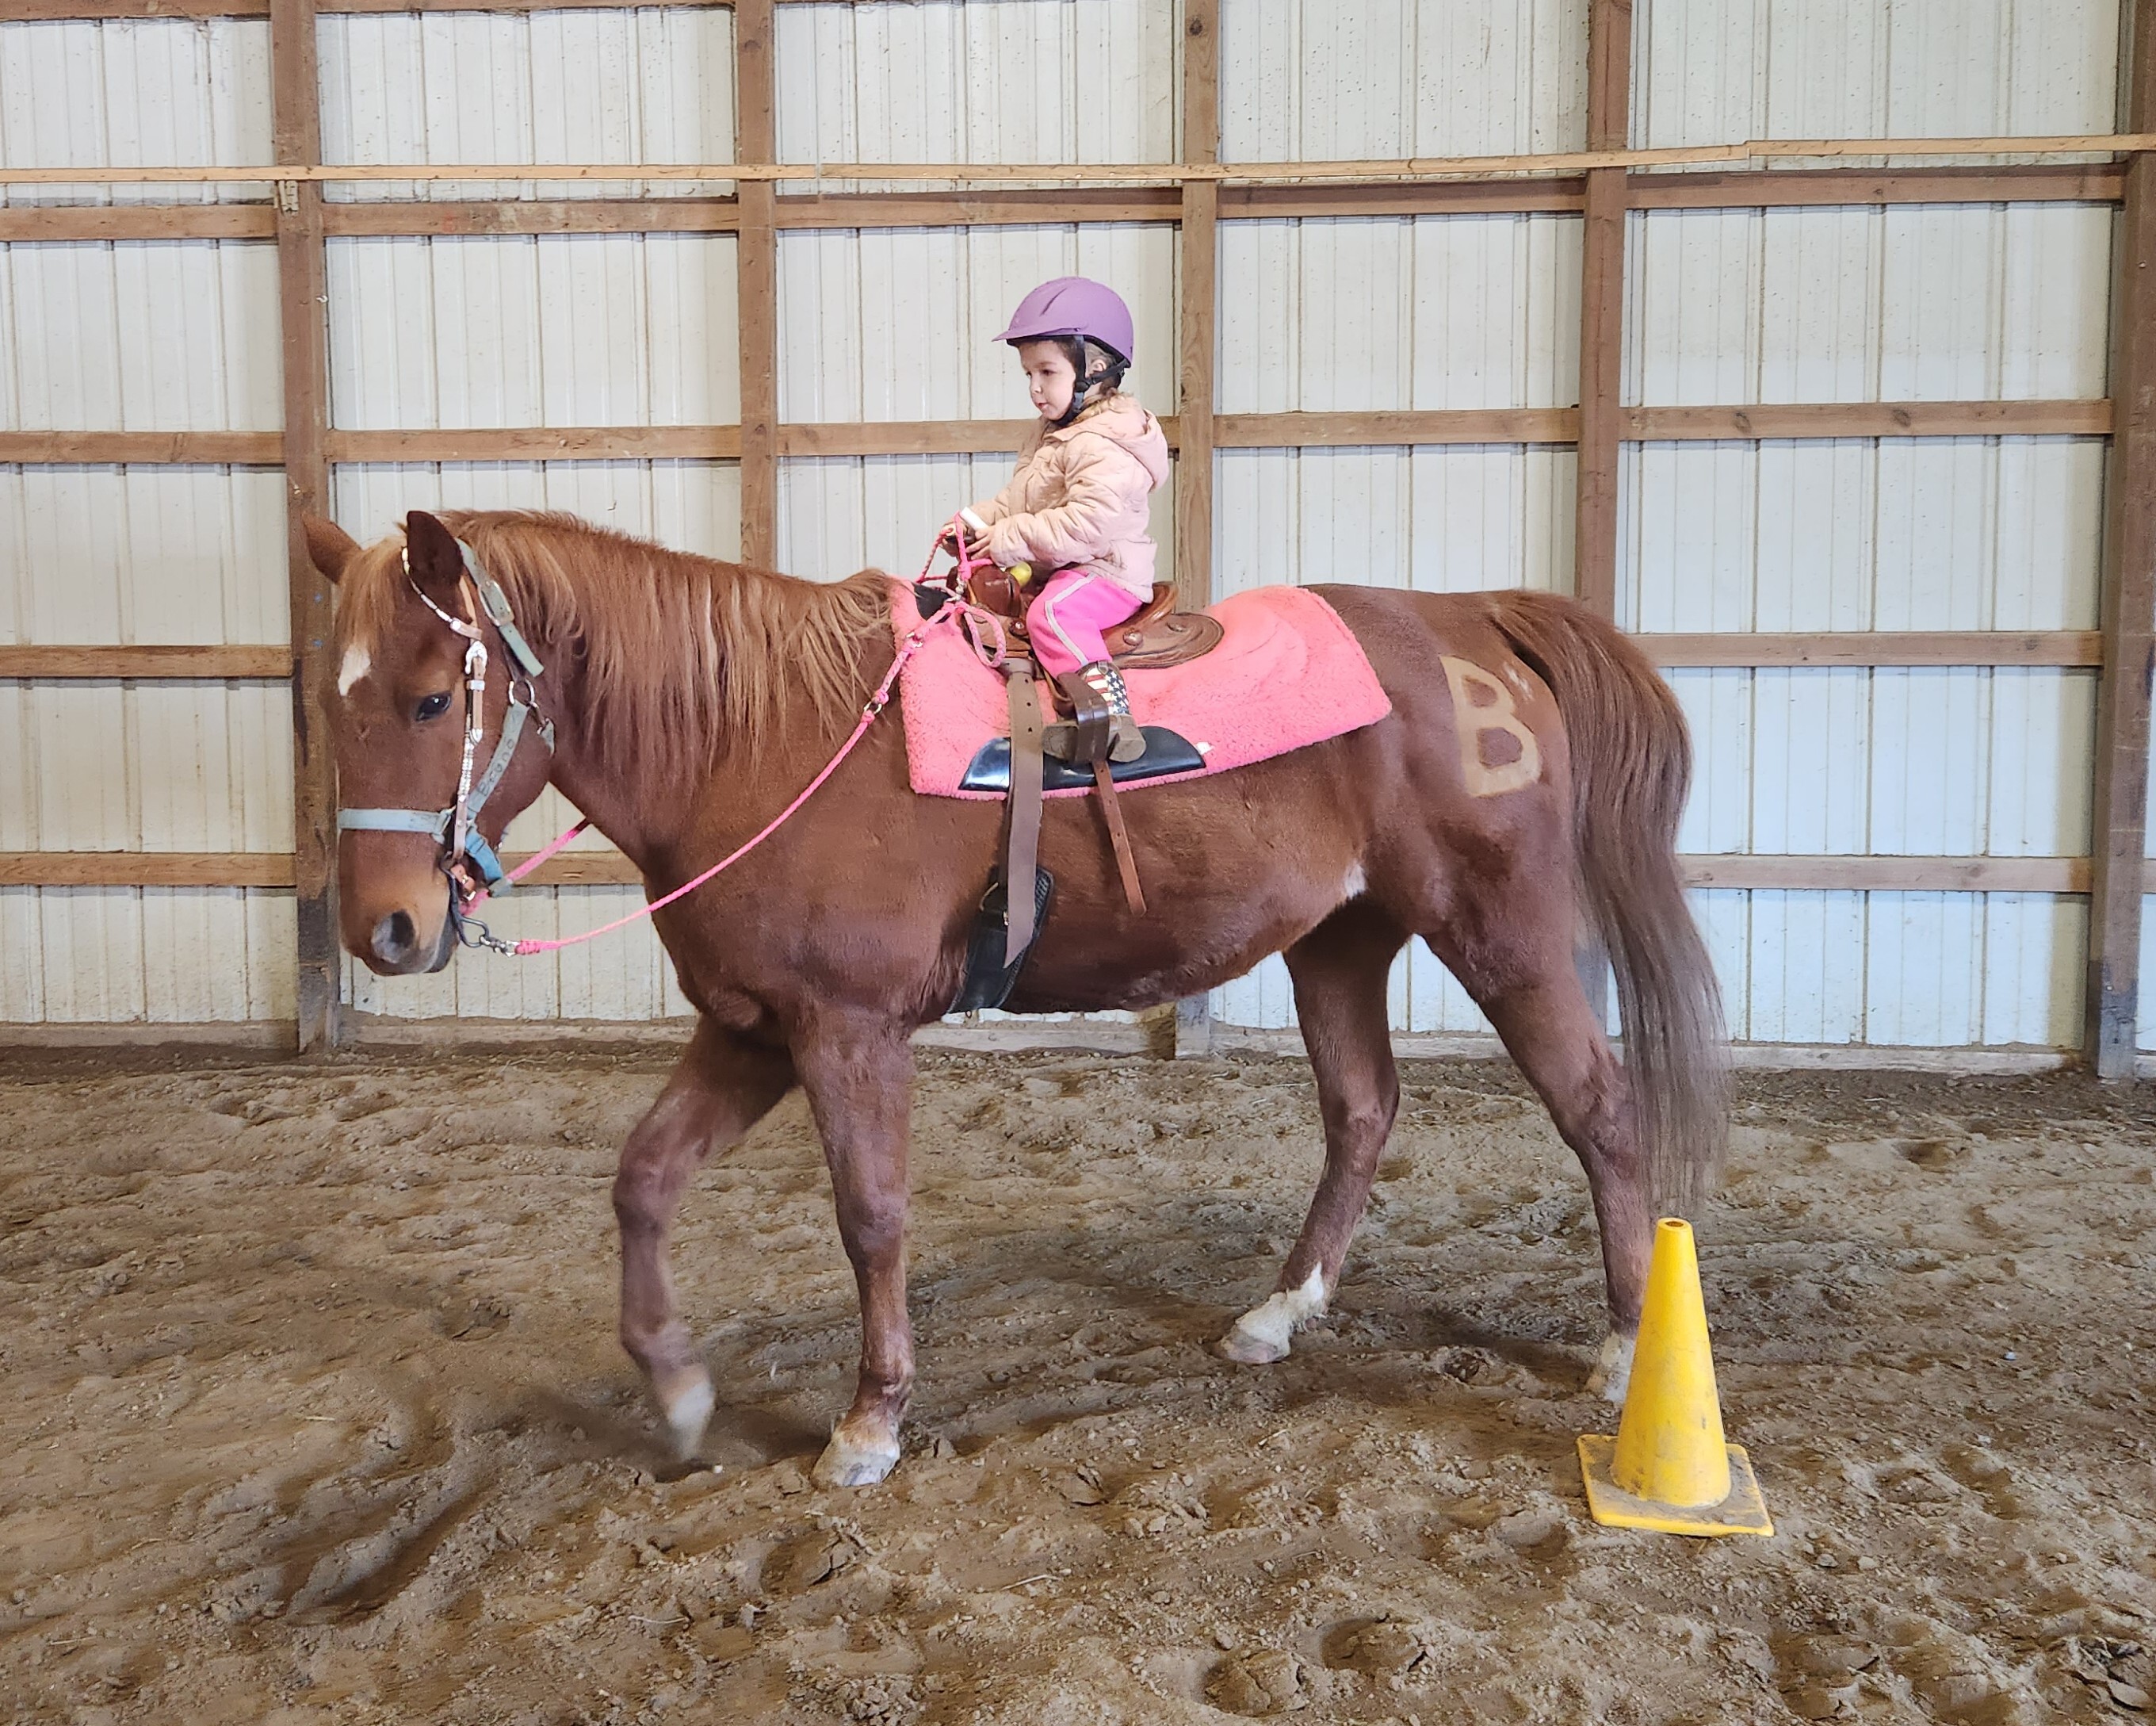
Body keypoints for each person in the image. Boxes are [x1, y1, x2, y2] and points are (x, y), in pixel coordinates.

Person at [950, 277, 1169, 763]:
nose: (1034, 388)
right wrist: (975, 523)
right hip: (1065, 565)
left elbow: (1090, 524)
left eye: (1046, 372)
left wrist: (1011, 537)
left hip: (1104, 572)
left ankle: (1108, 718)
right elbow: (1018, 503)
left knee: (1053, 614)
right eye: (1028, 374)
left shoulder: (1106, 442)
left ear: (1094, 366)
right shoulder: (1053, 434)